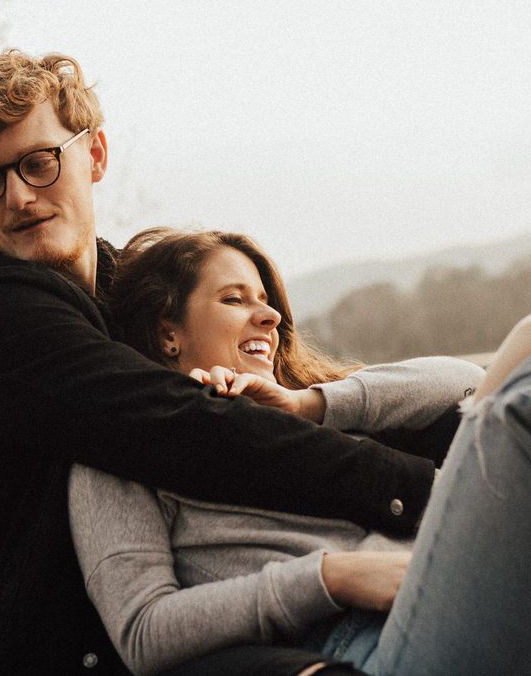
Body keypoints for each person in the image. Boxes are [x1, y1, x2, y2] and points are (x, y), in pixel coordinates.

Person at [0, 49, 444, 675]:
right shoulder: (2, 322)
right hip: (79, 652)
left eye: (38, 164)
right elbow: (189, 428)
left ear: (93, 155)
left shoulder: (126, 290)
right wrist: (427, 498)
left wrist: (320, 406)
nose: (16, 198)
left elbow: (269, 397)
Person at [68, 228, 531, 675]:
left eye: (266, 302)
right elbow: (143, 631)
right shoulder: (121, 451)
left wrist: (310, 404)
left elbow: (462, 382)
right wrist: (331, 578)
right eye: (234, 299)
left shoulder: (296, 416)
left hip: (445, 572)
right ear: (169, 333)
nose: (269, 317)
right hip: (371, 637)